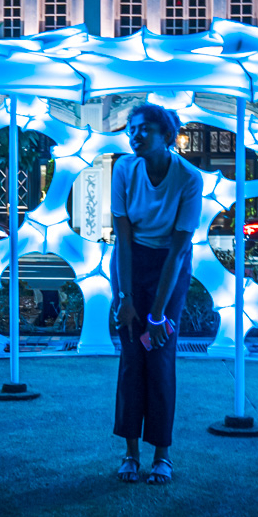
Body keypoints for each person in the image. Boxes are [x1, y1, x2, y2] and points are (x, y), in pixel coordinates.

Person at [109, 104, 203, 485]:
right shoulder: (123, 169)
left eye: (144, 129)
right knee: (132, 355)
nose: (135, 136)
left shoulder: (188, 178)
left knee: (160, 354)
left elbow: (178, 250)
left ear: (167, 135)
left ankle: (161, 456)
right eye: (131, 129)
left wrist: (158, 313)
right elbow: (124, 241)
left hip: (170, 267)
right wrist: (125, 298)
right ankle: (130, 453)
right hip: (131, 265)